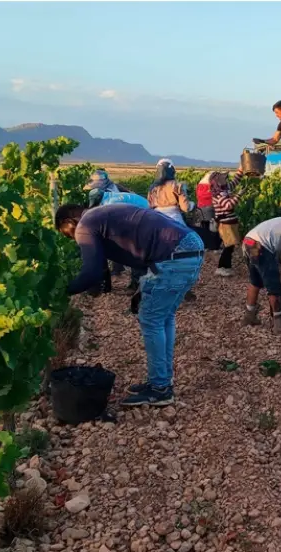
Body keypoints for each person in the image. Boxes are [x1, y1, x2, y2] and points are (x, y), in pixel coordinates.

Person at [54, 203, 206, 408]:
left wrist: (60, 292)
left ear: (68, 221)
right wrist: (143, 288)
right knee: (163, 317)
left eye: (68, 235)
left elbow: (92, 273)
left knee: (151, 319)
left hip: (173, 255)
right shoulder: (102, 215)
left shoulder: (84, 225)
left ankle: (160, 389)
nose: (74, 240)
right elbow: (144, 244)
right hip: (190, 246)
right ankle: (162, 381)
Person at [84, 168, 150, 288]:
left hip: (143, 216)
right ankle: (135, 280)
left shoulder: (111, 202)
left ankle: (139, 284)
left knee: (134, 249)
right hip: (135, 215)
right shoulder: (107, 196)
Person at [207, 169, 246, 277]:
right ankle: (221, 268)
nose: (226, 179)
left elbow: (236, 180)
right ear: (217, 181)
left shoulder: (226, 188)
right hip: (225, 223)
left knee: (230, 245)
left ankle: (226, 267)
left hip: (231, 222)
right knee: (229, 246)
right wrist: (239, 195)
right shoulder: (217, 194)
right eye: (224, 178)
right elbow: (228, 205)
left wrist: (241, 169)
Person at [147, 159, 194, 226]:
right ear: (172, 171)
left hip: (156, 220)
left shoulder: (153, 188)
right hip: (175, 220)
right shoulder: (177, 186)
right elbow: (185, 208)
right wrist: (192, 205)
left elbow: (149, 206)